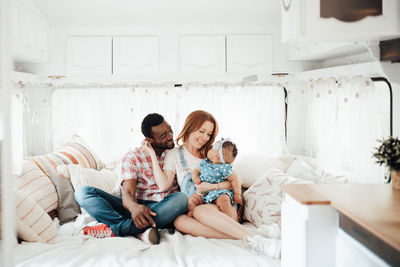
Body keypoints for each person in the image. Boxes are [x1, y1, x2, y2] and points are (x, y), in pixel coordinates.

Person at [142, 110, 280, 259]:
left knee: (200, 211)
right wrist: (151, 156)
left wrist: (212, 187)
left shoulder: (213, 153)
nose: (204, 138)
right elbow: (163, 185)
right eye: (201, 131)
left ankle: (254, 239)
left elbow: (235, 179)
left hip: (222, 205)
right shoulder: (174, 155)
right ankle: (250, 236)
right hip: (196, 206)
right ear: (189, 127)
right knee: (179, 221)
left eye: (208, 134)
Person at [74, 113, 188, 245]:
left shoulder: (176, 154)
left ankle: (117, 229)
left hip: (163, 208)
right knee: (82, 193)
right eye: (163, 136)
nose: (170, 137)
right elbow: (128, 193)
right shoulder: (133, 157)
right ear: (149, 140)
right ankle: (137, 229)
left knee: (181, 199)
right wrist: (135, 208)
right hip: (134, 207)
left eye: (170, 131)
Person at [188, 138, 242, 218]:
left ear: (216, 156)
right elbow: (195, 171)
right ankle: (192, 213)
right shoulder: (205, 162)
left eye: (212, 148)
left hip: (219, 192)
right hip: (203, 192)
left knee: (224, 200)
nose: (209, 149)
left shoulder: (225, 168)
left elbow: (235, 180)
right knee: (192, 200)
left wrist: (237, 195)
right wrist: (195, 177)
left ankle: (227, 219)